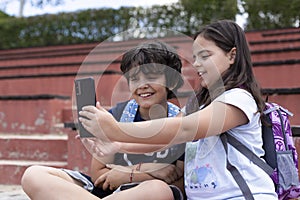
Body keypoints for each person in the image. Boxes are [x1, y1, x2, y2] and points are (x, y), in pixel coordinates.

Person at [78, 20, 278, 199]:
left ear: (232, 55)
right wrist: (117, 146)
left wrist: (114, 130)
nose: (197, 64)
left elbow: (184, 129)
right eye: (195, 57)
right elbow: (164, 138)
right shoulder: (197, 104)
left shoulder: (238, 99)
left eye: (205, 56)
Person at [21, 40, 186, 200]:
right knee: (34, 175)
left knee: (158, 190)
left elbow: (180, 184)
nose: (142, 85)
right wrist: (142, 171)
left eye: (151, 77)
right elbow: (99, 175)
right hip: (109, 193)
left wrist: (125, 175)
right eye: (134, 79)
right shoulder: (115, 116)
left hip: (144, 194)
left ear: (170, 81)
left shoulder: (182, 122)